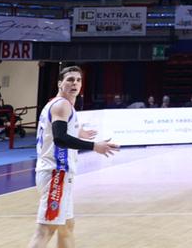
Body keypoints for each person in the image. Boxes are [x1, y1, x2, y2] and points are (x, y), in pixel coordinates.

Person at [27, 66, 120, 248]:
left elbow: (59, 130)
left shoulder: (59, 104)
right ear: (59, 83)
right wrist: (94, 146)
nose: (74, 83)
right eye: (70, 79)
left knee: (67, 227)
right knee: (45, 230)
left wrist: (78, 131)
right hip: (56, 174)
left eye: (78, 80)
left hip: (59, 174)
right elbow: (60, 138)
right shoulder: (62, 105)